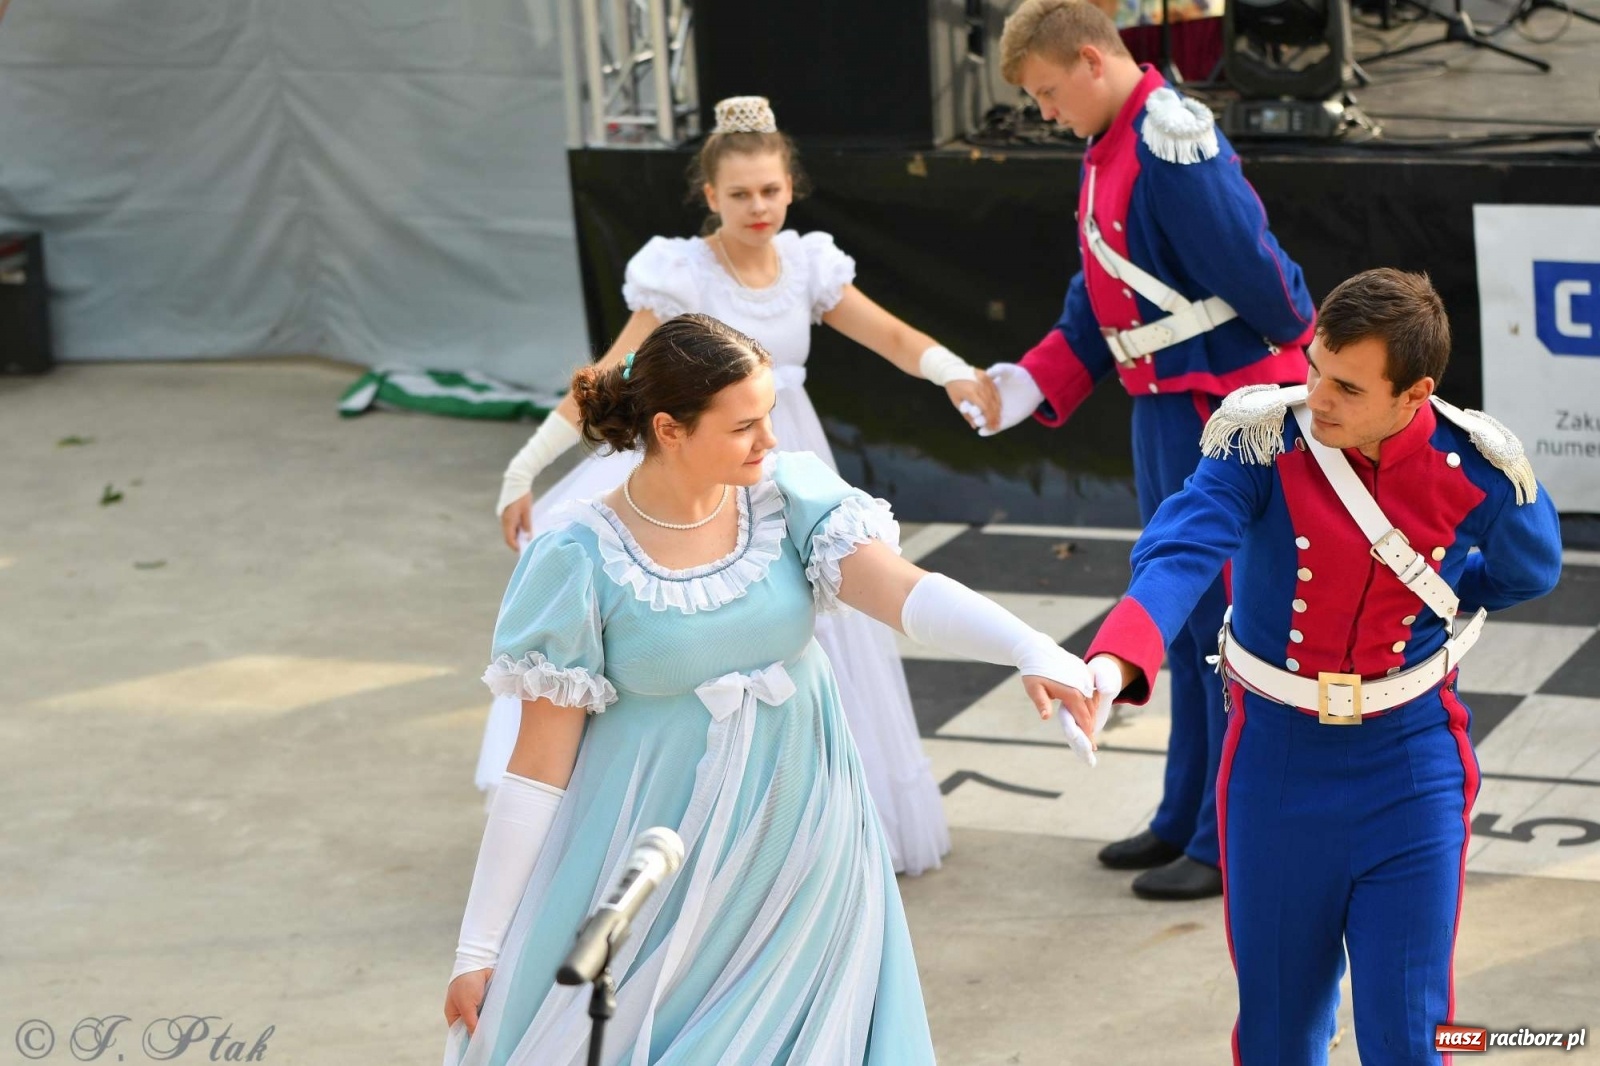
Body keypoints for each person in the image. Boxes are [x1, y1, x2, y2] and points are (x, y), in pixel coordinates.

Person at [442, 314, 1102, 1066]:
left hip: (806, 833)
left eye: (770, 417)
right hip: (656, 857)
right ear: (671, 428)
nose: (769, 441)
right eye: (745, 425)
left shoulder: (786, 498)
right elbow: (536, 767)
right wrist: (478, 946)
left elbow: (903, 592)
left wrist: (1029, 647)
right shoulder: (578, 557)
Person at [480, 95, 1000, 877]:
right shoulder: (679, 274)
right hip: (695, 458)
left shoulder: (810, 267)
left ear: (790, 186)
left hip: (783, 453)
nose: (758, 207)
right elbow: (608, 375)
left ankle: (822, 821)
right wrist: (526, 465)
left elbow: (890, 334)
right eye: (739, 194)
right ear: (709, 197)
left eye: (771, 190)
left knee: (822, 622)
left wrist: (953, 371)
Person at [1059, 270, 1562, 1062]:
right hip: (1276, 766)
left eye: (1348, 387)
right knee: (1279, 1028)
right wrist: (1119, 655)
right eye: (1315, 368)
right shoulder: (1261, 441)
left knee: (1409, 1031)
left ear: (1415, 394)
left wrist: (1445, 592)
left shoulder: (1476, 470)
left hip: (1413, 765)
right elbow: (1181, 546)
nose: (1317, 396)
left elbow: (1532, 569)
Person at [979, 0, 1318, 900]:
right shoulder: (1111, 141)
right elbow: (1101, 293)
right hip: (1164, 409)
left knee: (1229, 633)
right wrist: (1030, 381)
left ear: (1092, 61)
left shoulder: (1171, 141)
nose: (1047, 114)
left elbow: (1270, 286)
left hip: (1222, 410)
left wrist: (1272, 374)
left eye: (1050, 93)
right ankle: (1183, 814)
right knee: (1181, 625)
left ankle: (1224, 836)